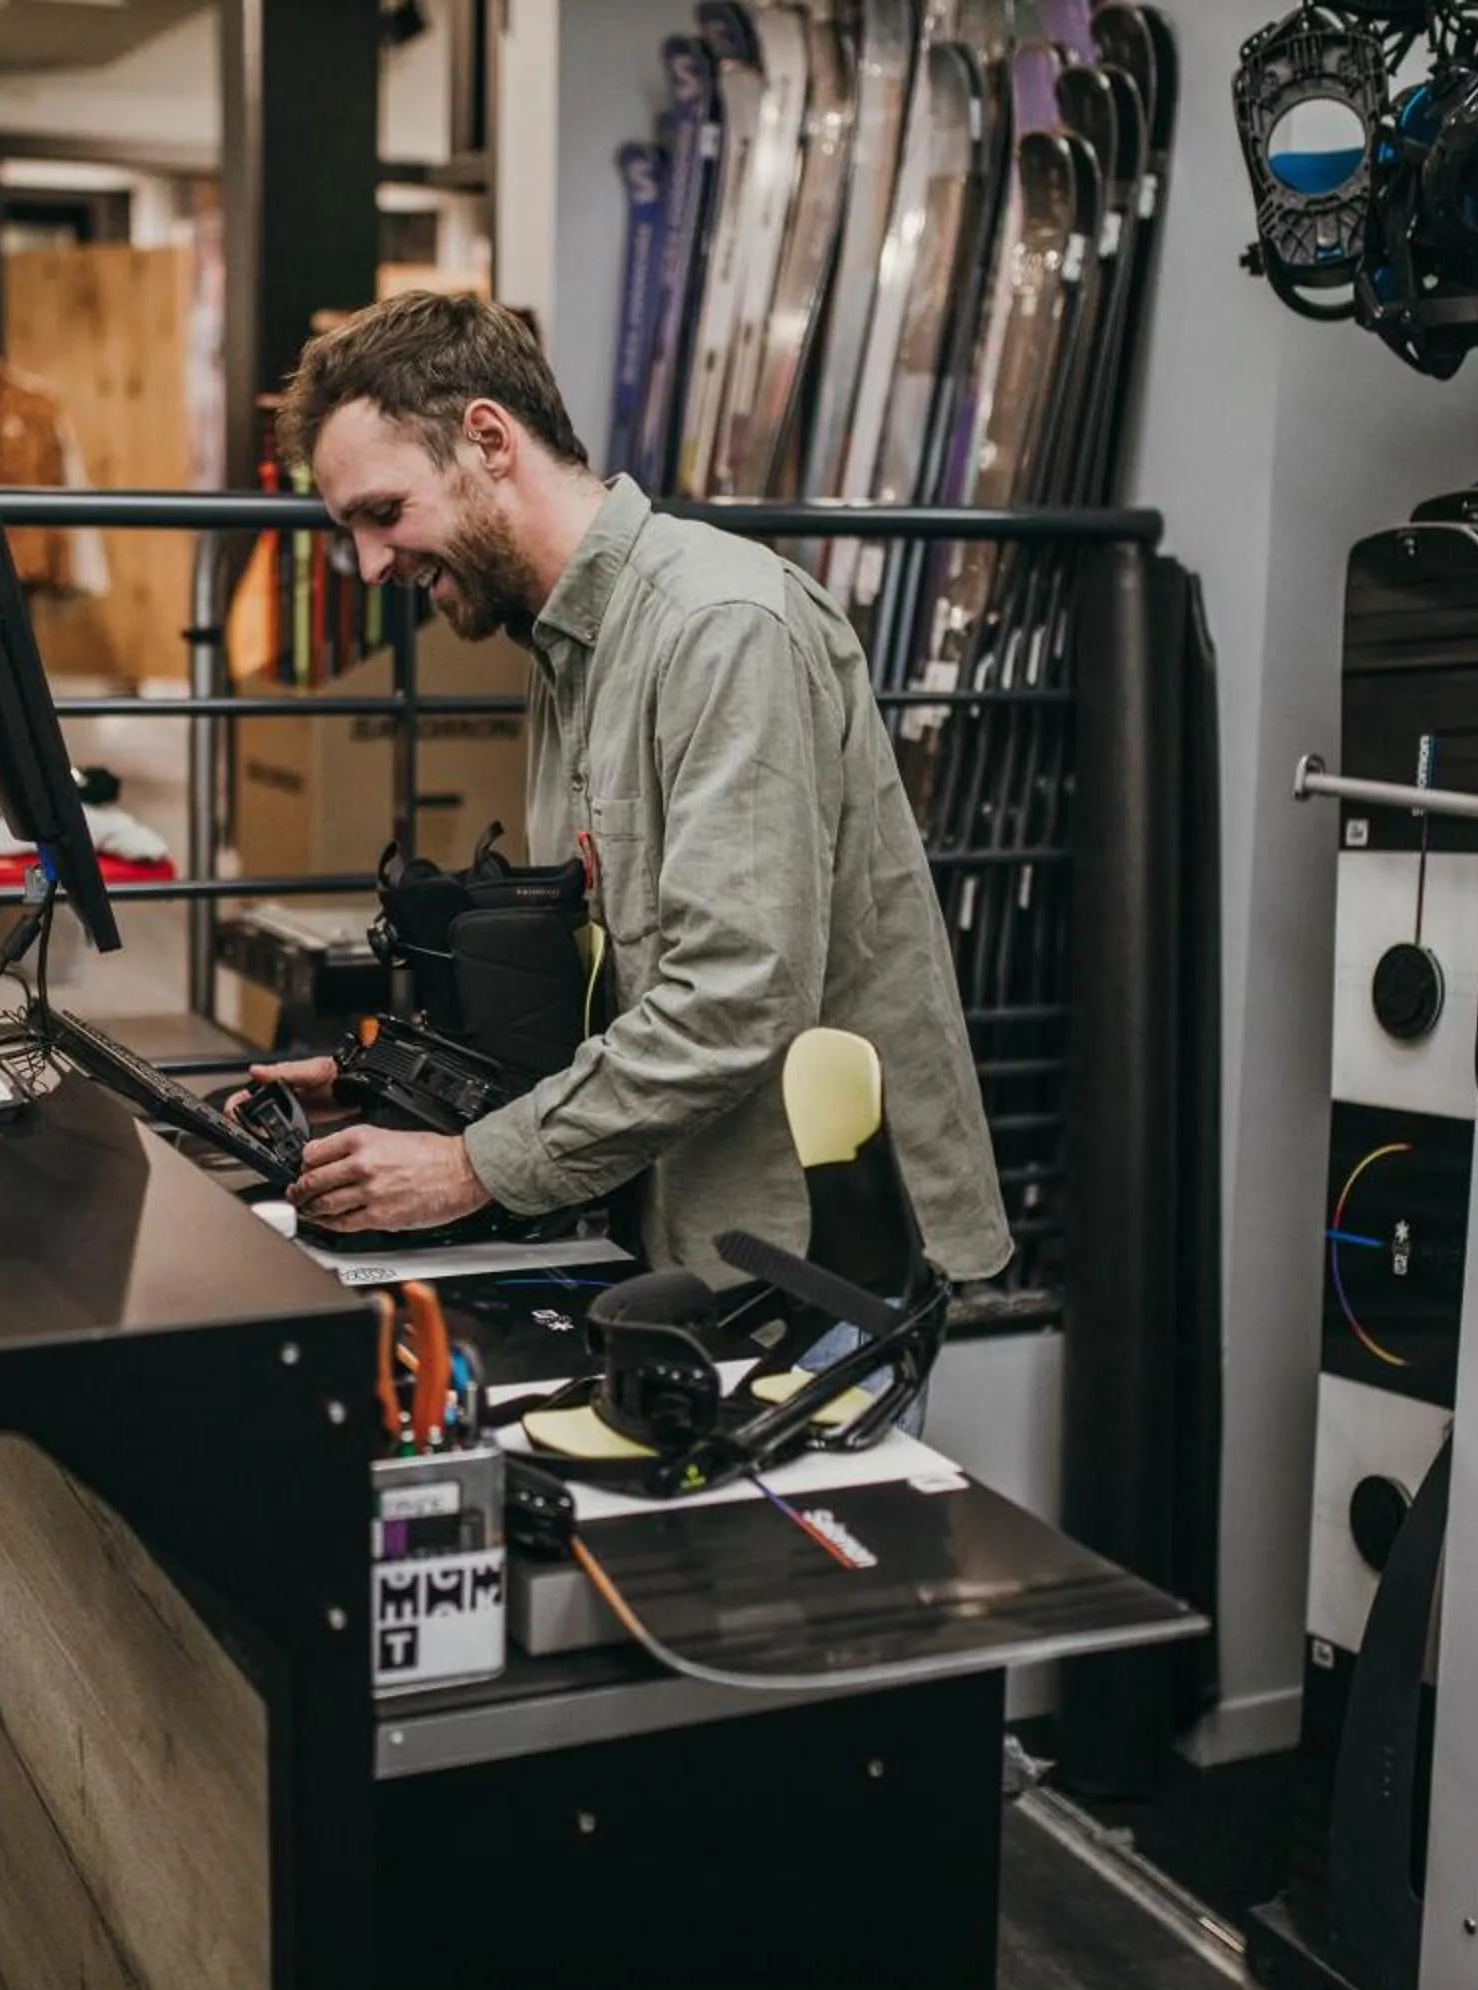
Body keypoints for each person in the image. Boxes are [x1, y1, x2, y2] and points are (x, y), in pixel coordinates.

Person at [249, 291, 1013, 1296]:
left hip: (815, 1264)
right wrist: (398, 1084)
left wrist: (473, 1166)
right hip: (682, 1240)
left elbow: (736, 996)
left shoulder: (721, 627)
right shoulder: (567, 646)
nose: (371, 562)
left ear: (488, 438)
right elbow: (617, 977)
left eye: (384, 514)